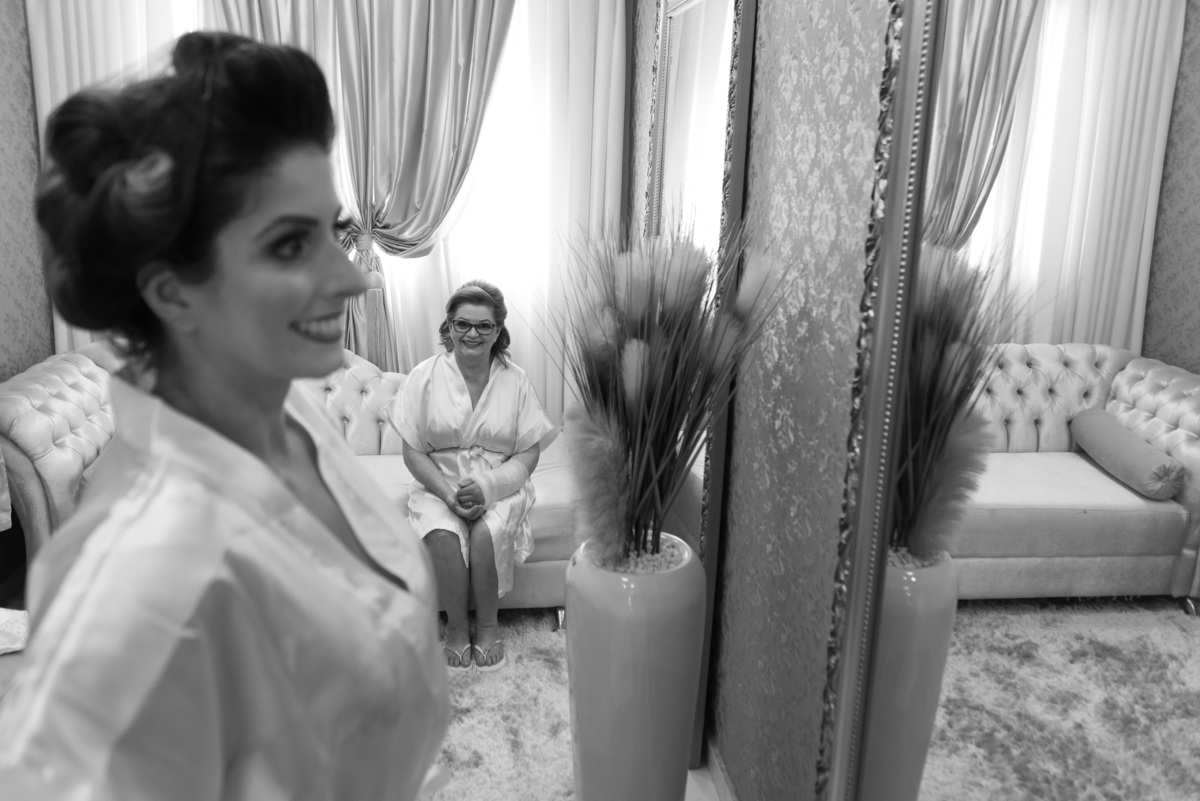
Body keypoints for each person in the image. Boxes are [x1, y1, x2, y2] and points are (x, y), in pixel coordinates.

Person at [0, 31, 449, 800]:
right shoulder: (136, 579)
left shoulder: (290, 407)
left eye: (334, 231)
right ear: (172, 291)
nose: (353, 279)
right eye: (290, 245)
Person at [394, 281, 557, 671]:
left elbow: (529, 452)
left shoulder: (516, 379)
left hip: (500, 481)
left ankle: (487, 626)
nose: (472, 333)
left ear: (498, 331)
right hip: (438, 482)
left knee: (487, 533)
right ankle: (455, 628)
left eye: (484, 325)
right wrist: (448, 495)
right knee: (443, 532)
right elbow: (412, 451)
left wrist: (488, 486)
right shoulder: (423, 376)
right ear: (448, 327)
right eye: (462, 324)